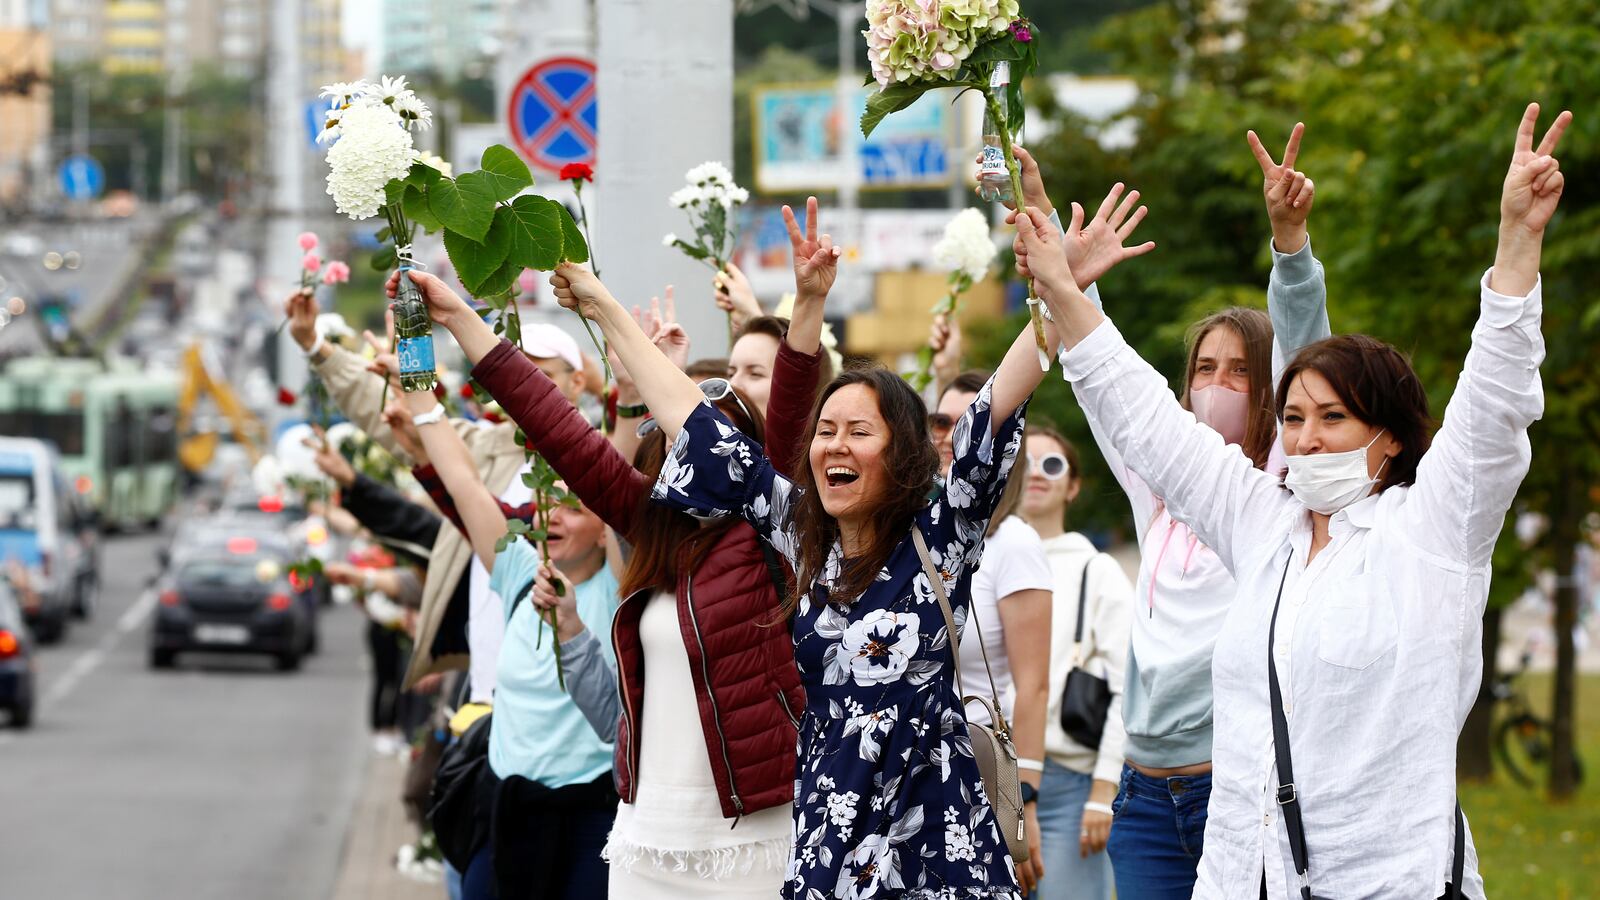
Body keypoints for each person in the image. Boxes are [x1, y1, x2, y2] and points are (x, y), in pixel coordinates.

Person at [1021, 101, 1569, 900]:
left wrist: (1518, 243)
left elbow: (1494, 404)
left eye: (1333, 418)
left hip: (1388, 882)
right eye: (1295, 419)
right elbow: (1138, 413)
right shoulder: (1262, 523)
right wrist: (1061, 286)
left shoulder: (1436, 528)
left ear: (1390, 436)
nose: (1307, 440)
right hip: (1238, 875)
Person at [551, 190, 1148, 899]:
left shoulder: (942, 532)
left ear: (902, 454)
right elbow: (688, 416)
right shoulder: (800, 535)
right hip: (828, 849)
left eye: (859, 432)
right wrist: (602, 305)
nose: (834, 445)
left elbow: (999, 398)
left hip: (936, 849)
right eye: (825, 431)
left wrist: (1061, 288)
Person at [382, 239, 819, 897]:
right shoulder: (649, 529)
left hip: (748, 836)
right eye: (677, 443)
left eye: (710, 441)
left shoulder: (777, 533)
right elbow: (555, 428)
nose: (691, 454)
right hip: (646, 829)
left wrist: (808, 304)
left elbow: (790, 414)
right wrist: (456, 318)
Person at [1036, 125, 1330, 900]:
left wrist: (1291, 248)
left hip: (1233, 788)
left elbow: (1308, 357)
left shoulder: (1281, 487)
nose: (1217, 384)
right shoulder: (1158, 485)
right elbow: (1106, 383)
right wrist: (1062, 262)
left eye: (1239, 371)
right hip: (1142, 798)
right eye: (1204, 368)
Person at [393, 382, 621, 900]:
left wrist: (626, 395)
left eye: (573, 506)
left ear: (607, 526)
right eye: (546, 501)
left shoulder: (621, 586)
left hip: (591, 819)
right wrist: (420, 393)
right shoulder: (519, 567)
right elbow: (464, 485)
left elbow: (620, 464)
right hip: (506, 809)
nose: (553, 515)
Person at [933, 370, 1055, 894]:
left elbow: (1033, 686)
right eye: (941, 422)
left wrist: (1023, 801)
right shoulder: (908, 532)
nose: (952, 437)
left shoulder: (1012, 543)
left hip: (978, 772)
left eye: (969, 424)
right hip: (908, 771)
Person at [1017, 426, 1132, 900]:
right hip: (989, 778)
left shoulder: (1095, 569)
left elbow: (1129, 685)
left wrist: (1104, 789)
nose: (1036, 474)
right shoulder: (981, 562)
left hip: (1068, 785)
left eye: (1052, 464)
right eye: (1024, 463)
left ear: (1073, 485)